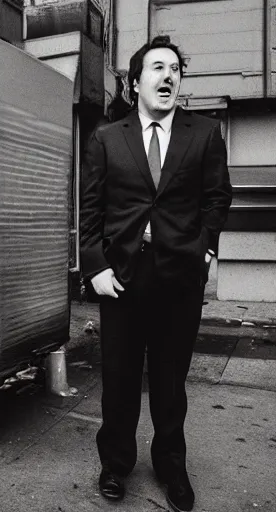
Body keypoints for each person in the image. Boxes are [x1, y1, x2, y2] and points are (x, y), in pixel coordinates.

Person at [79, 35, 232, 512]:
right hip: (121, 277)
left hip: (178, 279)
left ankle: (171, 466)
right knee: (120, 379)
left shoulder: (203, 134)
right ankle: (116, 463)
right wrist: (95, 267)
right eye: (157, 68)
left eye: (175, 69)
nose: (168, 76)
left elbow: (217, 198)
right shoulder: (107, 137)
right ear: (135, 80)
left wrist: (204, 251)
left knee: (170, 382)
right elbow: (90, 209)